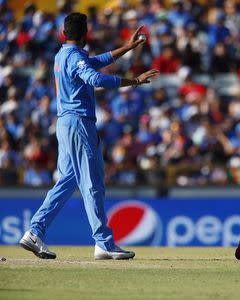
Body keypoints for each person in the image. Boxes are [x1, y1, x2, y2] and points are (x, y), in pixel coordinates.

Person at [19, 12, 159, 260]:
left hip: (65, 123)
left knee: (67, 181)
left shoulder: (63, 55)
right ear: (86, 34)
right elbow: (94, 77)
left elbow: (95, 62)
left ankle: (35, 231)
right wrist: (135, 81)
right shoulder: (75, 57)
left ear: (64, 34)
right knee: (92, 182)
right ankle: (103, 242)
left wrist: (127, 47)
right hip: (80, 123)